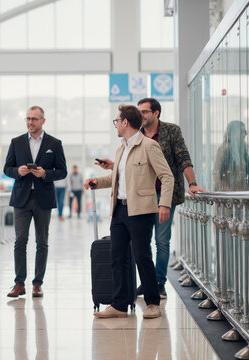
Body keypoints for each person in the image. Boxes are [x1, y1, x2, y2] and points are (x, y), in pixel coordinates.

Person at [96, 98, 205, 298]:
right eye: (139, 112)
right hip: (138, 196)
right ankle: (143, 288)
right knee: (138, 247)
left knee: (160, 241)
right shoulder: (129, 142)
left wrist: (191, 183)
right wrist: (111, 169)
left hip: (164, 195)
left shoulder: (166, 134)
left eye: (145, 111)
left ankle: (157, 283)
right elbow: (129, 169)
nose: (142, 115)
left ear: (156, 113)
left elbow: (182, 159)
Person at [84, 104, 174, 319]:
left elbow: (167, 176)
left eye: (117, 121)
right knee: (117, 257)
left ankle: (153, 303)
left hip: (141, 211)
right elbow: (117, 179)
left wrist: (165, 204)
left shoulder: (149, 146)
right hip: (119, 210)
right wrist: (98, 181)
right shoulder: (121, 148)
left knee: (142, 256)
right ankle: (119, 304)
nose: (115, 125)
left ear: (125, 122)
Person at [3, 105, 67, 298]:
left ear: (43, 121)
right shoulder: (16, 142)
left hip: (43, 199)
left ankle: (37, 283)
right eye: (28, 119)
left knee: (42, 242)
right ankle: (19, 284)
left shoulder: (54, 144)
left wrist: (46, 174)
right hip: (22, 198)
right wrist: (17, 172)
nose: (30, 122)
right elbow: (7, 168)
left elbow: (62, 171)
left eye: (34, 119)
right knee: (20, 241)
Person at [213, 120, 249, 191]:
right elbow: (217, 175)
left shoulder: (242, 150)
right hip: (229, 196)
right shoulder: (225, 149)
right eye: (242, 131)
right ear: (233, 132)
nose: (245, 134)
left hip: (240, 195)